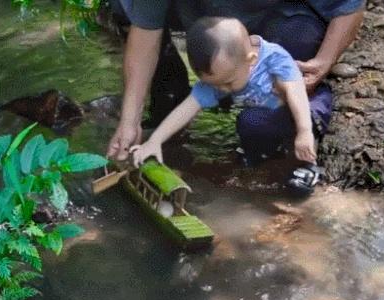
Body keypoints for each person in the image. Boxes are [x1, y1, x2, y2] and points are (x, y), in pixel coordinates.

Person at [106, 0, 364, 163]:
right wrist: (131, 122)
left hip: (285, 19)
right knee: (122, 7)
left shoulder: (274, 60)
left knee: (259, 124)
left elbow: (349, 5)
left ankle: (306, 113)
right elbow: (145, 33)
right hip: (212, 32)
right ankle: (167, 95)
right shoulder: (213, 80)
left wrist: (324, 61)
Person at [130, 17, 320, 194]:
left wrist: (304, 131)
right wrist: (155, 140)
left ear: (251, 60)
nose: (222, 89)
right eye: (215, 85)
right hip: (266, 117)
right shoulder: (221, 76)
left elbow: (297, 93)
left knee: (309, 116)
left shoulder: (274, 59)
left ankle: (309, 166)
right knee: (248, 122)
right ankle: (263, 157)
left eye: (228, 82)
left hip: (303, 106)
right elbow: (186, 108)